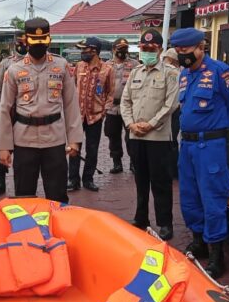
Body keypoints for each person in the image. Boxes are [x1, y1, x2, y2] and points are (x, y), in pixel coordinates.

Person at [174, 28, 229, 278]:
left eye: (187, 50)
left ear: (200, 48)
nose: (182, 55)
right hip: (189, 146)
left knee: (212, 199)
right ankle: (199, 242)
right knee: (189, 197)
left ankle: (217, 254)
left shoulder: (221, 72)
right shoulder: (183, 75)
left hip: (212, 146)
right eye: (178, 51)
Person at [0, 18, 82, 203]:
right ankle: (27, 232)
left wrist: (74, 140)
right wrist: (3, 146)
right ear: (26, 41)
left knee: (57, 196)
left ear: (48, 40)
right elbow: (5, 108)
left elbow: (71, 104)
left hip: (54, 139)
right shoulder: (14, 69)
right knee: (24, 196)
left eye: (43, 41)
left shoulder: (61, 66)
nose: (39, 46)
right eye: (35, 42)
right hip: (24, 140)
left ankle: (57, 232)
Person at [120, 29, 179, 240]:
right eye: (143, 49)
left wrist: (151, 124)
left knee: (161, 182)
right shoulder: (136, 73)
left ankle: (165, 223)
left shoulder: (171, 73)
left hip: (159, 138)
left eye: (151, 49)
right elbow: (125, 101)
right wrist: (130, 124)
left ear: (160, 50)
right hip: (136, 136)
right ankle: (141, 217)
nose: (146, 52)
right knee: (140, 179)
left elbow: (171, 105)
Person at [68, 37, 114, 192]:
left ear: (94, 51)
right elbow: (72, 87)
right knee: (74, 148)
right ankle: (73, 180)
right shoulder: (79, 67)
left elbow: (110, 92)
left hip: (95, 116)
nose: (82, 53)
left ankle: (88, 179)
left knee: (92, 149)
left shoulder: (107, 69)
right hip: (78, 116)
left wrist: (104, 111)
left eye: (84, 49)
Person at [0, 32, 27, 196]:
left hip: (25, 112)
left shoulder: (33, 62)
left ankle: (22, 183)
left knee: (24, 149)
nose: (23, 45)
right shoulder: (6, 64)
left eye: (25, 42)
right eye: (20, 42)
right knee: (0, 146)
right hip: (7, 111)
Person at [104, 37, 139, 174]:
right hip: (112, 107)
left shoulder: (135, 64)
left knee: (131, 136)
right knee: (113, 135)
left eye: (125, 49)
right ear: (113, 50)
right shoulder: (107, 65)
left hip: (130, 107)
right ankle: (117, 162)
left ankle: (133, 162)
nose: (123, 52)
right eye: (120, 49)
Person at [164, 47, 181, 179]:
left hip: (172, 111)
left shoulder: (175, 73)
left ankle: (172, 170)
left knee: (170, 141)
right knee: (170, 141)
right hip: (172, 111)